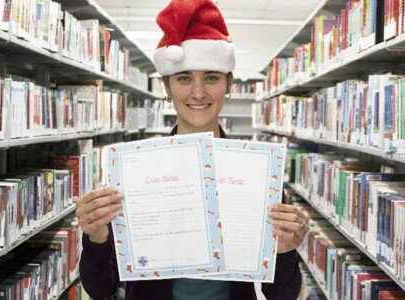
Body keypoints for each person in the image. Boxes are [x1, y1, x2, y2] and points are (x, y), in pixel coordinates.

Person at [76, 0, 310, 299]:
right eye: (184, 78)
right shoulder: (134, 172)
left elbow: (282, 295)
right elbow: (100, 289)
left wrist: (286, 251)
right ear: (166, 86)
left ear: (229, 84)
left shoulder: (260, 174)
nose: (198, 92)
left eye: (211, 77)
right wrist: (95, 236)